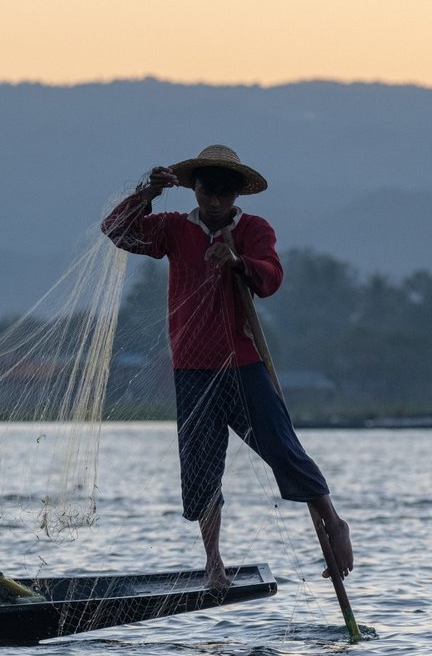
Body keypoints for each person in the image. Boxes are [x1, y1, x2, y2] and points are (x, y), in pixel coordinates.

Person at [102, 144, 353, 588]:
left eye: (223, 192)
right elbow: (116, 230)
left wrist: (237, 262)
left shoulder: (253, 229)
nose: (214, 200)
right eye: (206, 190)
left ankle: (333, 522)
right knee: (200, 468)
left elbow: (271, 277)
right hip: (192, 369)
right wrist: (147, 194)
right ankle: (214, 563)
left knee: (282, 447)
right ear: (194, 188)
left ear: (238, 194)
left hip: (242, 363)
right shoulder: (175, 230)